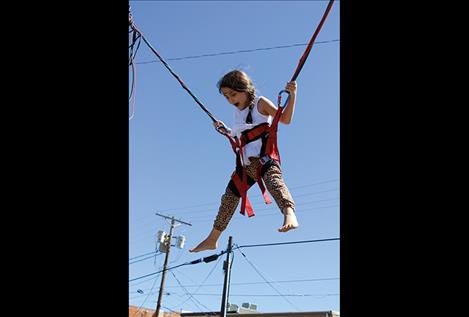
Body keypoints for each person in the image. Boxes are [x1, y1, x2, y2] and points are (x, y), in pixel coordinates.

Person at [189, 70, 299, 253]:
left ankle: (289, 214)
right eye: (226, 97)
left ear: (246, 89)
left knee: (274, 183)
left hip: (265, 160)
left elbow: (285, 119)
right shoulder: (237, 113)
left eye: (233, 94)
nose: (231, 100)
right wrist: (225, 130)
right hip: (246, 166)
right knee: (229, 198)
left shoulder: (261, 103)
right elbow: (242, 133)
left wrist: (293, 95)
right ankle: (212, 239)